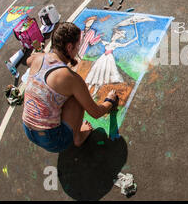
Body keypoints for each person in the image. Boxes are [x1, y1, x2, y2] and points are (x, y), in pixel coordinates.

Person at [22, 22, 119, 153]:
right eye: (78, 45)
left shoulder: (38, 58)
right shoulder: (70, 78)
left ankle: (69, 130)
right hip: (54, 141)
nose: (79, 49)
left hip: (28, 131)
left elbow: (29, 60)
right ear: (69, 47)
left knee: (61, 95)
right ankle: (78, 137)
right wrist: (109, 101)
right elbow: (95, 113)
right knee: (77, 98)